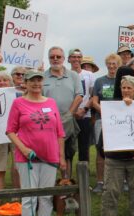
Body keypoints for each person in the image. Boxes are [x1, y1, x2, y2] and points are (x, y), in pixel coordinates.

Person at [5, 70, 66, 216]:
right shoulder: (18, 103)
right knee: (30, 197)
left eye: (39, 80)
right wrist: (23, 148)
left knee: (46, 195)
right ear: (25, 83)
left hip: (50, 156)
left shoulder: (51, 102)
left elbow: (60, 133)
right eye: (32, 81)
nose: (36, 84)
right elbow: (10, 130)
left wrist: (61, 157)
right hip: (28, 159)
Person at [100, 75, 134, 216]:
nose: (126, 90)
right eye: (124, 87)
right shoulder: (111, 107)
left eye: (129, 88)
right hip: (114, 157)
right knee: (111, 189)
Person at [43, 46, 83, 179]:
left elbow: (79, 95)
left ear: (64, 58)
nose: (55, 59)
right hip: (47, 122)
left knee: (67, 154)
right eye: (52, 57)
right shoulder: (42, 77)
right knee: (49, 153)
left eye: (58, 56)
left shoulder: (73, 75)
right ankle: (51, 183)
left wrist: (69, 114)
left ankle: (66, 182)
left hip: (68, 120)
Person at [89, 53, 122, 193]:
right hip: (101, 119)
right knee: (100, 150)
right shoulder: (99, 81)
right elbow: (94, 101)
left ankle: (121, 181)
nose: (112, 66)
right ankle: (100, 181)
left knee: (120, 148)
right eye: (109, 63)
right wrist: (104, 110)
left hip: (119, 120)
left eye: (114, 63)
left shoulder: (123, 80)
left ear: (119, 65)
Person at [0, 71, 21, 207]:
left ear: (10, 82)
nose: (2, 82)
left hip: (16, 135)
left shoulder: (18, 95)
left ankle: (18, 196)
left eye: (5, 80)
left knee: (18, 166)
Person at [67, 48, 95, 167]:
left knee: (84, 149)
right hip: (69, 116)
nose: (76, 59)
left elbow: (93, 95)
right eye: (73, 57)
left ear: (81, 59)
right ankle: (66, 179)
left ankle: (84, 181)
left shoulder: (89, 75)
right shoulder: (65, 75)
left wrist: (84, 109)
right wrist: (72, 111)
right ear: (69, 59)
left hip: (85, 115)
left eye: (78, 57)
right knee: (68, 149)